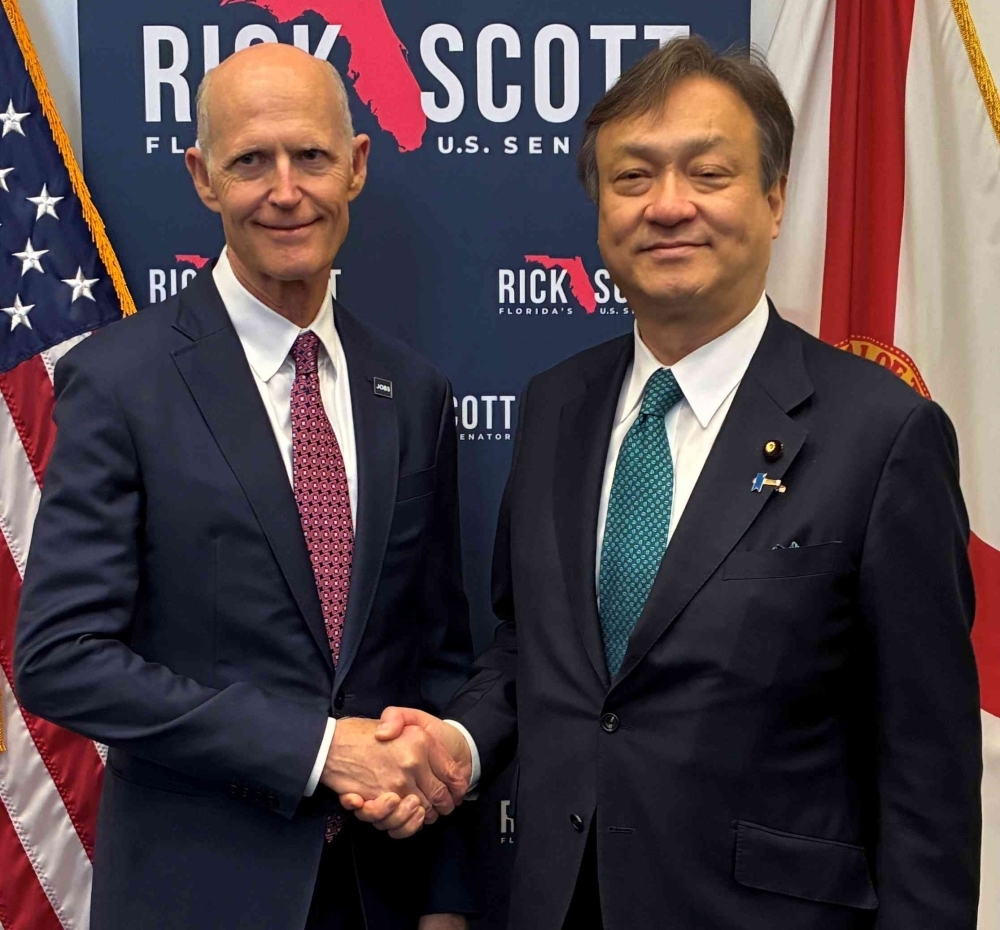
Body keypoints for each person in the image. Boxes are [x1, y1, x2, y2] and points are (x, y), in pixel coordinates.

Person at [366, 37, 982, 929]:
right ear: (599, 210)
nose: (668, 206)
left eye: (708, 172)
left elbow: (928, 771)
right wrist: (457, 742)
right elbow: (522, 645)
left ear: (774, 201)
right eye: (632, 178)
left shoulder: (881, 436)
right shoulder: (554, 408)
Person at [15, 43, 474, 930]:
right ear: (202, 178)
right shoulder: (121, 380)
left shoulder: (411, 393)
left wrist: (448, 902)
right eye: (249, 161)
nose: (285, 190)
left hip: (381, 898)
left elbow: (442, 663)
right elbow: (59, 659)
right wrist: (314, 750)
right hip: (196, 896)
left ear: (358, 166)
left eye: (311, 156)